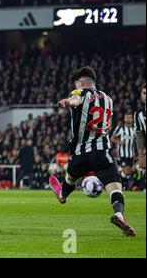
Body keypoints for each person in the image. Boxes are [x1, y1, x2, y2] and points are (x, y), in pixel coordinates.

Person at [50, 66, 136, 236]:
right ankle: (118, 214)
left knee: (71, 176)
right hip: (101, 152)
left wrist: (68, 102)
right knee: (115, 186)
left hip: (80, 153)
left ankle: (62, 194)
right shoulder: (108, 98)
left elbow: (76, 100)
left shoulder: (79, 92)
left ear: (81, 83)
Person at [111, 112, 136, 190]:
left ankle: (124, 185)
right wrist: (119, 142)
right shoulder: (120, 128)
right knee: (126, 171)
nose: (128, 119)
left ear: (132, 119)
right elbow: (112, 138)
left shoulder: (135, 128)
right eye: (127, 118)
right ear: (124, 119)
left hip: (131, 154)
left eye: (130, 118)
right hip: (122, 154)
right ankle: (124, 186)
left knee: (129, 172)